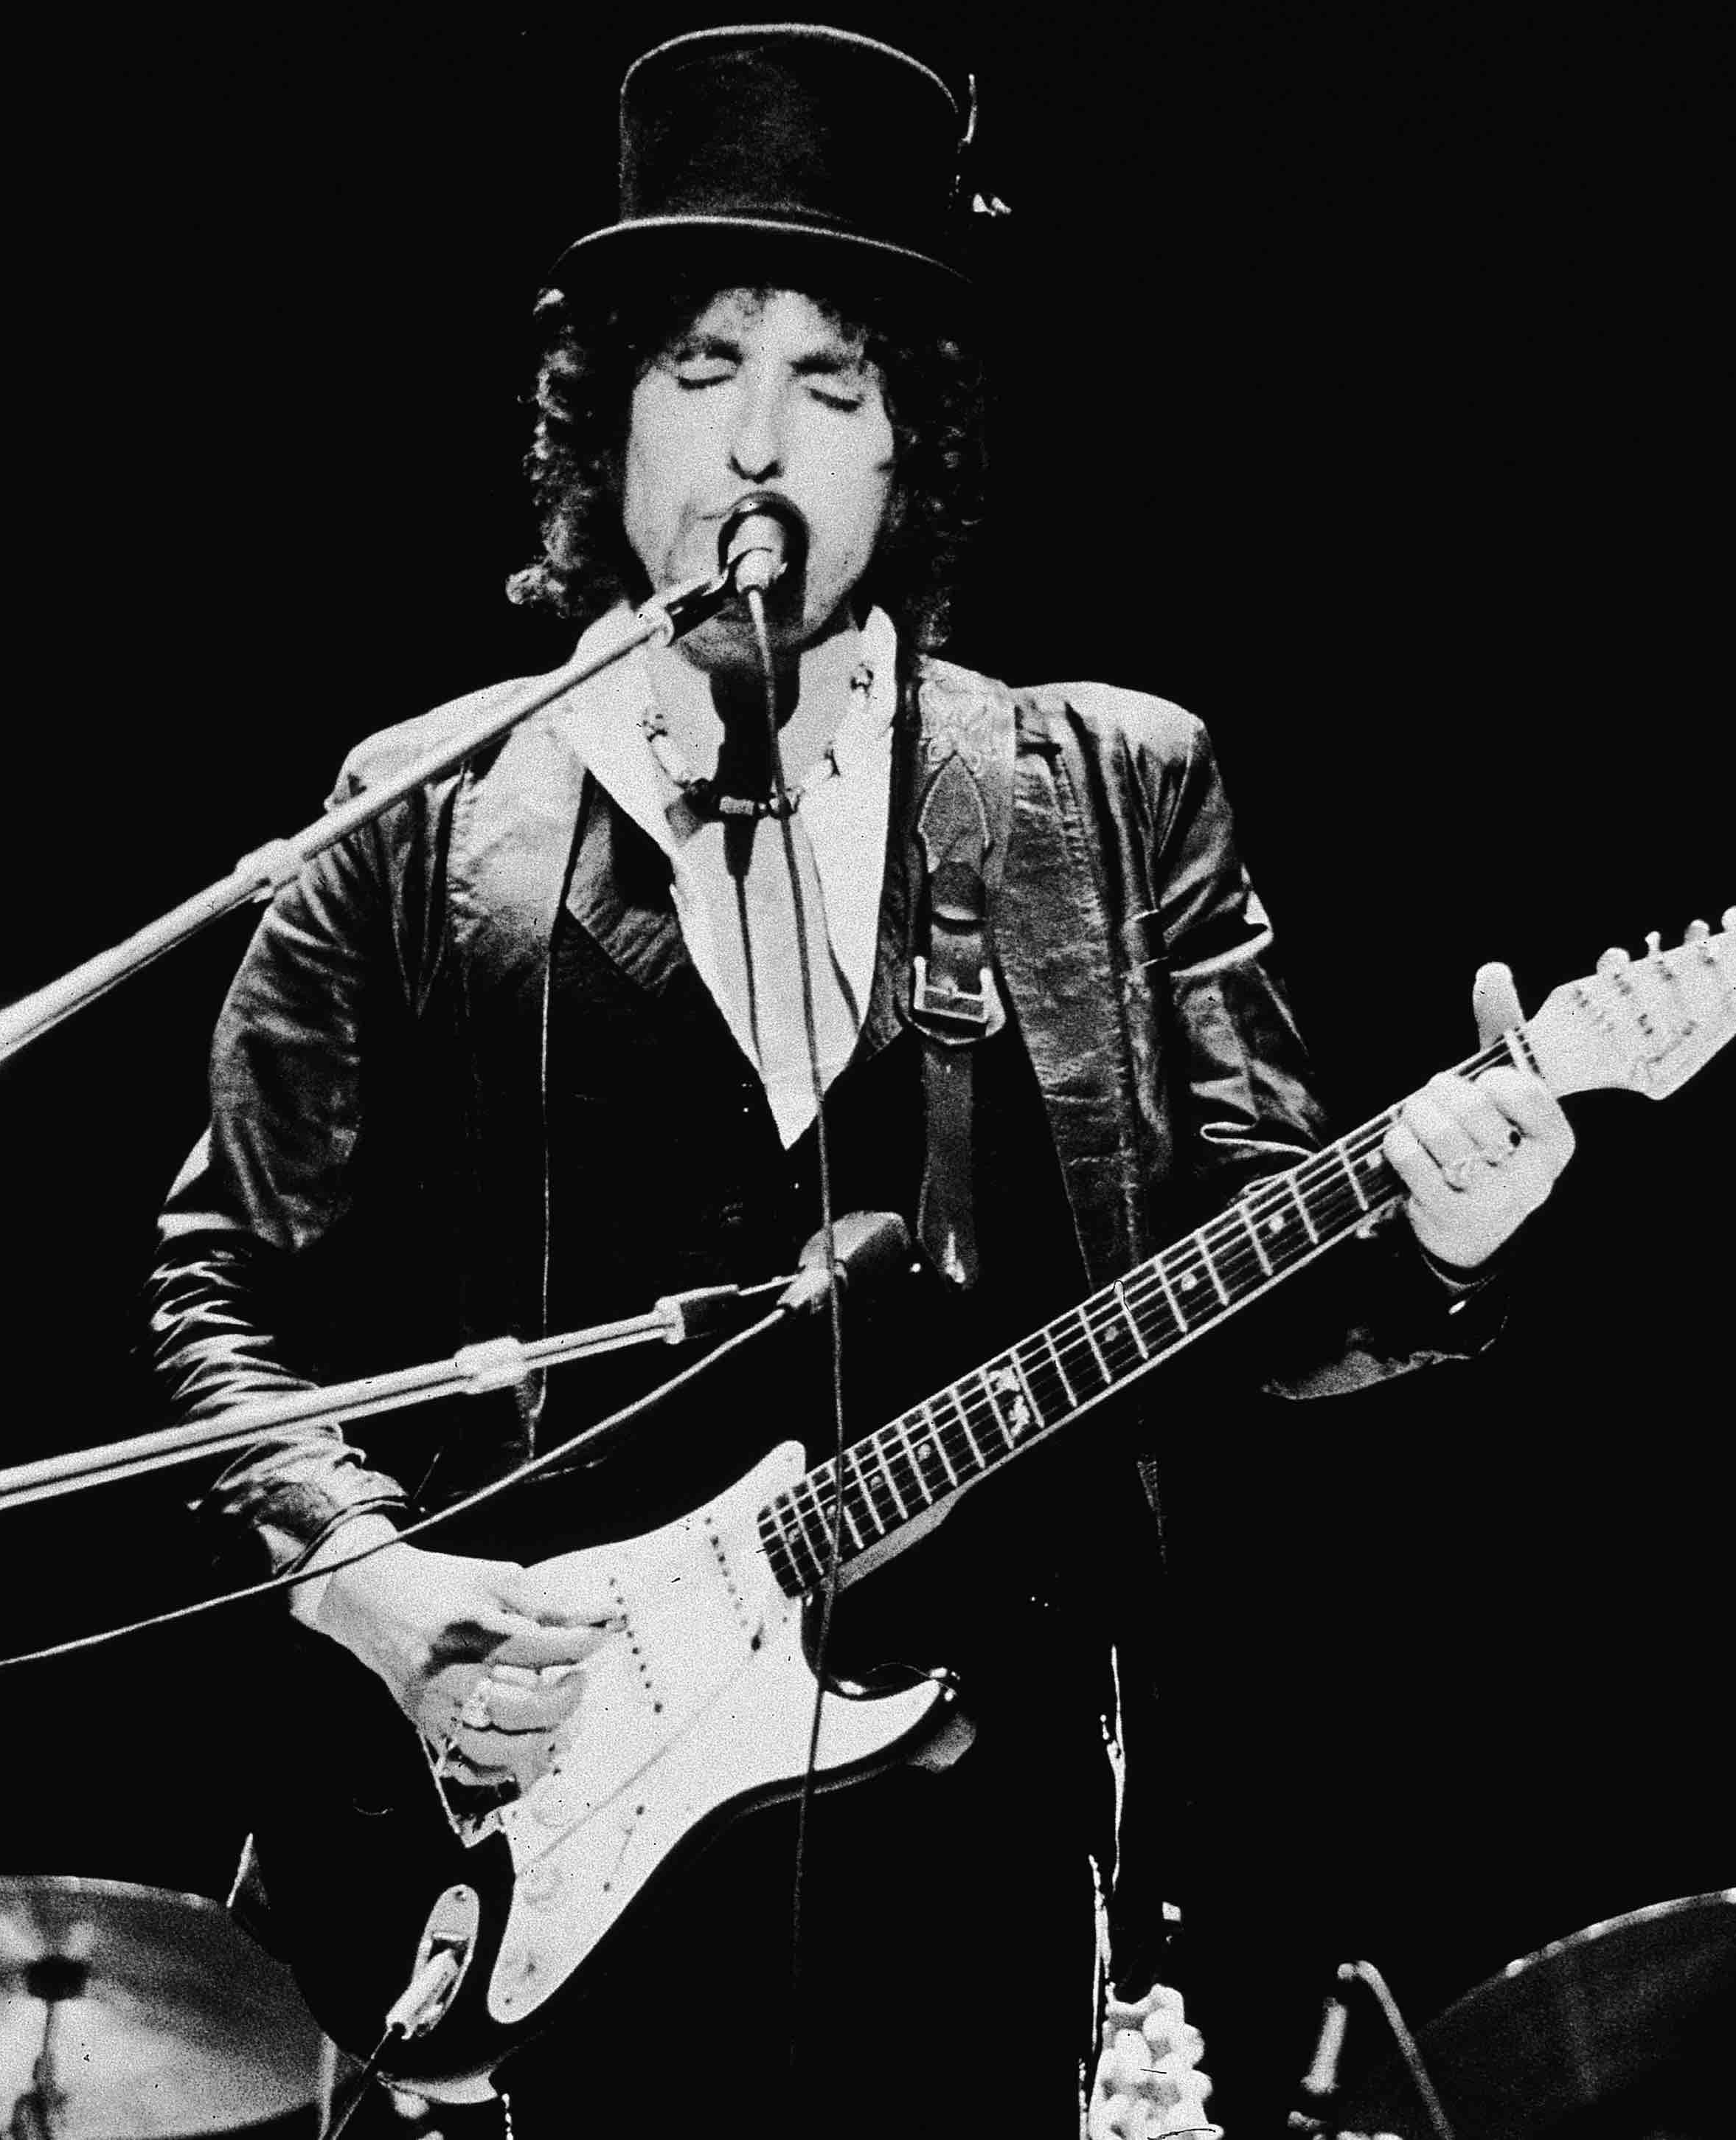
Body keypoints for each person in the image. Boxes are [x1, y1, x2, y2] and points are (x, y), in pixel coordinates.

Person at [145, 25, 1571, 2134]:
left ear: (908, 451)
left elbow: (1272, 1281)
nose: (759, 449)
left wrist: (1445, 1235)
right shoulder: (428, 811)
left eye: (833, 385)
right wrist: (375, 1588)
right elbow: (223, 1297)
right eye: (705, 368)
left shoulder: (1099, 790)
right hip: (522, 1825)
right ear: (606, 422)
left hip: (960, 1863)